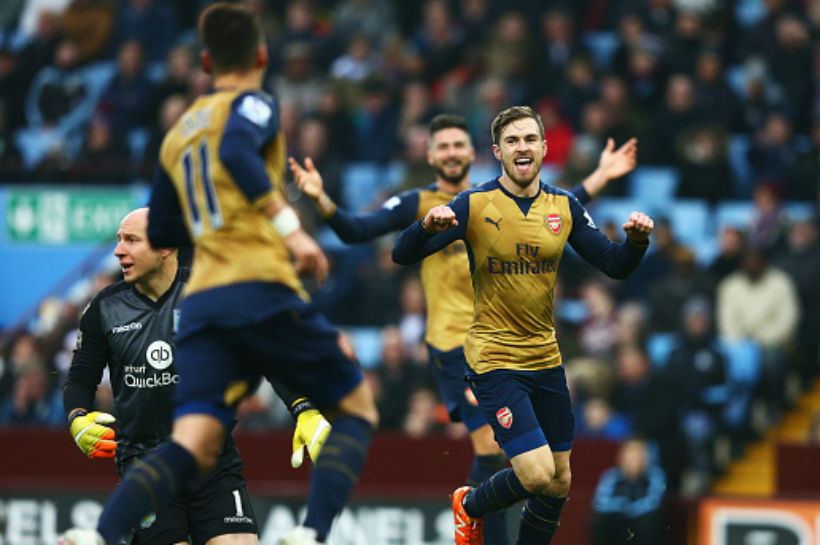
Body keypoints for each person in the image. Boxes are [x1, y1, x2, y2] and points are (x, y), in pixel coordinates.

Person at [61, 5, 378, 545]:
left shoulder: (179, 129)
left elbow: (164, 219)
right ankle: (311, 532)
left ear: (205, 61)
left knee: (192, 441)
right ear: (261, 56)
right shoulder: (253, 103)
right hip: (257, 285)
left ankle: (100, 534)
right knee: (357, 410)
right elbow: (235, 150)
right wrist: (292, 229)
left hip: (204, 298)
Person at [290, 112, 639, 545]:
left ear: (471, 153)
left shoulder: (533, 201)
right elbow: (362, 232)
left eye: (459, 145)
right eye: (444, 146)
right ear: (432, 154)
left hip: (539, 355)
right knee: (508, 458)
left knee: (554, 480)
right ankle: (471, 517)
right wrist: (324, 201)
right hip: (464, 349)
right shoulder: (440, 204)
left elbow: (556, 213)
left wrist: (602, 179)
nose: (453, 152)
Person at [392, 105, 653, 545]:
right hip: (494, 359)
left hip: (545, 360)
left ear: (544, 147)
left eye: (530, 139)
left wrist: (638, 242)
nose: (522, 147)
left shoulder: (563, 206)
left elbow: (615, 264)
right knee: (535, 473)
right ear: (497, 152)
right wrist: (424, 227)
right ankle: (468, 505)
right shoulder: (474, 204)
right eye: (512, 141)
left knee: (559, 482)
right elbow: (402, 253)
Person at [63, 208, 330, 545]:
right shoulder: (103, 308)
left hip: (213, 458)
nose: (118, 251)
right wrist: (77, 418)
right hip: (145, 461)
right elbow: (80, 379)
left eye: (131, 240)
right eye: (119, 240)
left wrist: (303, 409)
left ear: (165, 247)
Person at [590, 438, 667, 545]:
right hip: (618, 520)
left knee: (650, 521)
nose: (634, 460)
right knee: (599, 522)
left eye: (638, 455)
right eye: (630, 455)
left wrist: (631, 509)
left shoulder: (655, 475)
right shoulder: (611, 476)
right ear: (621, 458)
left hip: (641, 520)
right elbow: (599, 503)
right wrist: (620, 506)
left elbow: (654, 501)